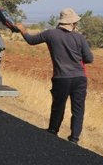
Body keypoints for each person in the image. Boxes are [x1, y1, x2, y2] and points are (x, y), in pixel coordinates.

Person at [15, 8, 93, 144]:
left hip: (61, 78)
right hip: (80, 78)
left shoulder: (51, 34)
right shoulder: (80, 37)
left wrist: (22, 29)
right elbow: (89, 59)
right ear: (73, 23)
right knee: (78, 109)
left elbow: (31, 40)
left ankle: (53, 131)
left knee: (58, 105)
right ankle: (74, 139)